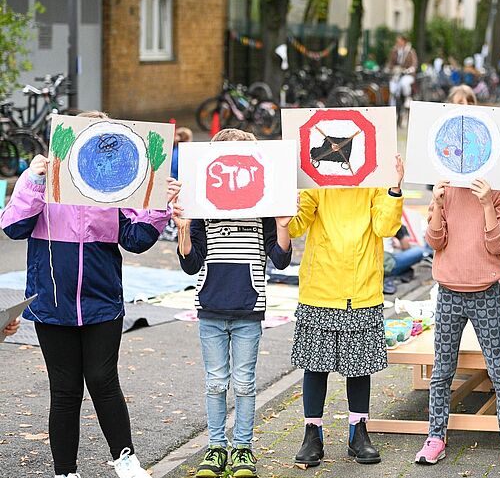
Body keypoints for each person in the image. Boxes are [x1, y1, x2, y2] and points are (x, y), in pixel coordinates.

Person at [0, 111, 180, 478]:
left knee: (102, 379)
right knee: (64, 390)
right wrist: (34, 181)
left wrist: (158, 204)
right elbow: (14, 227)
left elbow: (137, 239)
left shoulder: (118, 188)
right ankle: (65, 471)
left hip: (102, 302)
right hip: (52, 303)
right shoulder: (43, 180)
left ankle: (126, 460)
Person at [173, 129, 293, 478]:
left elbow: (281, 260)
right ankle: (215, 449)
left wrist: (283, 226)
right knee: (214, 383)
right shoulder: (202, 209)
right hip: (210, 306)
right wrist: (183, 228)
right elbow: (190, 263)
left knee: (243, 383)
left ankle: (242, 449)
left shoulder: (265, 208)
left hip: (248, 308)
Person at [289, 157, 405, 467]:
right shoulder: (316, 180)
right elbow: (297, 225)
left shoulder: (375, 179)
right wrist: (290, 194)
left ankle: (359, 432)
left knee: (359, 366)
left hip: (362, 288)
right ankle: (312, 431)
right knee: (314, 366)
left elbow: (385, 226)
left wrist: (394, 189)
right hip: (320, 287)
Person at [414, 179, 500, 466]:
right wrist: (438, 204)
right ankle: (435, 437)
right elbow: (434, 240)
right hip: (449, 292)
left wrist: (487, 202)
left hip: (485, 292)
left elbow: (497, 243)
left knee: (499, 367)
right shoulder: (445, 187)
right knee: (441, 371)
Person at [386, 35, 418, 126]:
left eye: (399, 41)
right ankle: (392, 110)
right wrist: (391, 69)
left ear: (404, 41)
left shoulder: (410, 51)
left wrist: (408, 70)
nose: (398, 43)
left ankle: (407, 97)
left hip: (406, 74)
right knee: (392, 90)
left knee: (404, 83)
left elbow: (414, 65)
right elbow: (390, 63)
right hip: (396, 75)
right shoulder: (394, 51)